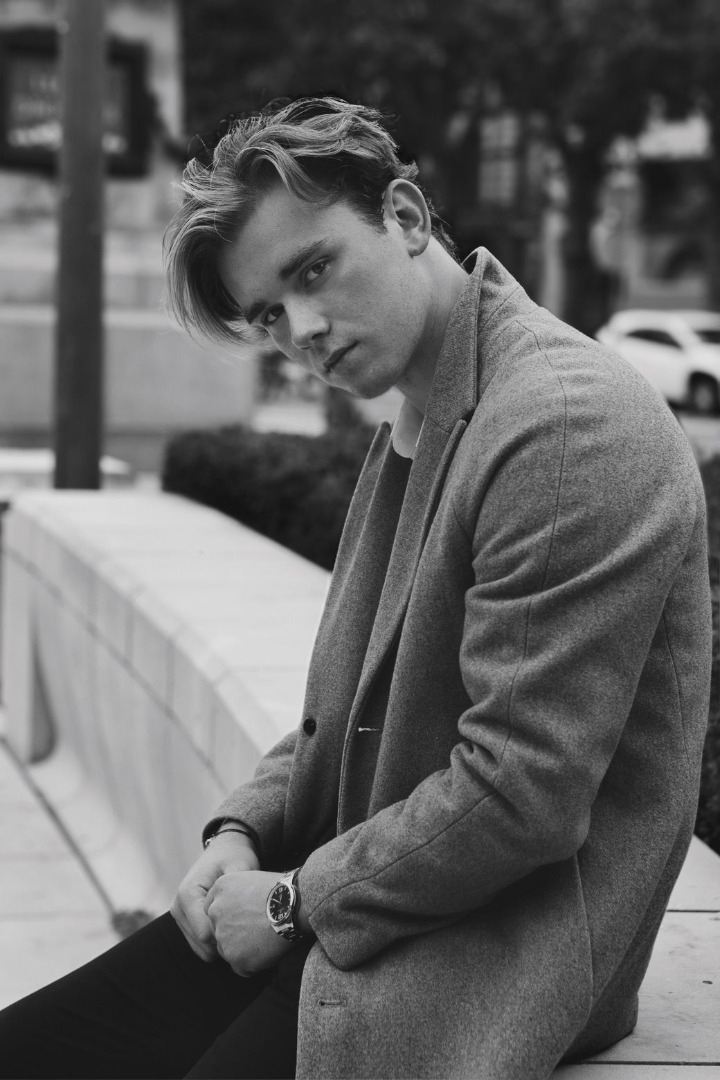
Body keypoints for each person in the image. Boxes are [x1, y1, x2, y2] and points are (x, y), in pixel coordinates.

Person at [0, 96, 712, 1080]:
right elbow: (342, 718)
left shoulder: (560, 426)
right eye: (268, 314)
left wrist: (291, 901)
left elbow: (523, 794)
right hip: (369, 903)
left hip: (495, 952)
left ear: (407, 217)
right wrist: (243, 830)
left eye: (313, 271)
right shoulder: (426, 414)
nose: (302, 330)